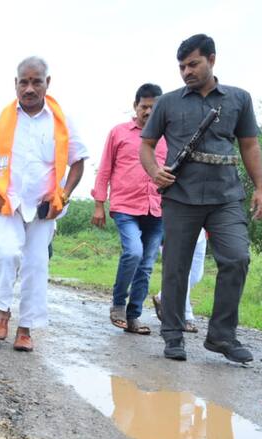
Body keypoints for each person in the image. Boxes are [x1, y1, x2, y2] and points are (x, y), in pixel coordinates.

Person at [140, 34, 262, 363]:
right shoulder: (168, 102)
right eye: (181, 66)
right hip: (180, 197)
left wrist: (261, 188)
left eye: (193, 64)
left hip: (226, 196)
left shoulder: (239, 99)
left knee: (237, 258)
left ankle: (222, 337)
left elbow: (250, 145)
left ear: (212, 59)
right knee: (176, 268)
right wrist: (154, 171)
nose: (186, 72)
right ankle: (173, 336)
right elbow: (146, 145)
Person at [0, 56, 88, 351]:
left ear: (47, 83)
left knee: (36, 265)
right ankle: (1, 310)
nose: (29, 88)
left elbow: (78, 162)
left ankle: (25, 329)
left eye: (36, 81)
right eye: (23, 82)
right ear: (15, 84)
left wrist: (64, 193)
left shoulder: (62, 122)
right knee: (7, 253)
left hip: (44, 208)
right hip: (8, 204)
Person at [92, 83, 167, 335]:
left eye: (153, 107)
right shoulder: (119, 132)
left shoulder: (169, 136)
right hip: (125, 206)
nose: (148, 111)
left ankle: (134, 316)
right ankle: (117, 304)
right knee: (133, 252)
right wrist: (99, 204)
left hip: (157, 209)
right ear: (135, 106)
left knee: (146, 265)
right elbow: (104, 169)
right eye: (144, 106)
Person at [153, 230, 207, 333]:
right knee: (183, 275)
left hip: (200, 232)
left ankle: (161, 296)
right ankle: (186, 317)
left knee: (196, 276)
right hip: (175, 230)